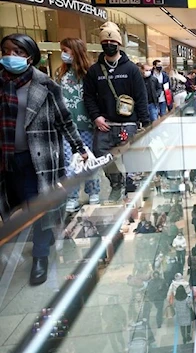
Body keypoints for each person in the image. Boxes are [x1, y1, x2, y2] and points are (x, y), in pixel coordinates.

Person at [1, 33, 87, 285]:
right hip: (7, 159)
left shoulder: (46, 85)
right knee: (17, 205)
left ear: (30, 56)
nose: (11, 57)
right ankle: (43, 237)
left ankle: (40, 255)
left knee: (38, 206)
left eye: (17, 52)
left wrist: (80, 148)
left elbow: (64, 120)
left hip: (39, 159)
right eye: (6, 51)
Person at [83, 22, 150, 202]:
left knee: (131, 156)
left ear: (119, 44)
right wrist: (96, 116)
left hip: (128, 123)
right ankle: (116, 183)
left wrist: (146, 123)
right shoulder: (94, 71)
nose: (109, 45)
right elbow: (88, 96)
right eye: (105, 42)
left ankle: (131, 183)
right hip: (105, 124)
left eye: (113, 42)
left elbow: (141, 96)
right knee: (101, 155)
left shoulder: (131, 70)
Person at [57, 37, 100, 212]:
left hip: (87, 124)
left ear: (75, 51)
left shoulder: (90, 73)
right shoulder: (61, 74)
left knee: (88, 159)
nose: (63, 55)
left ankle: (93, 192)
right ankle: (72, 196)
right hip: (67, 126)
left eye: (66, 51)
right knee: (69, 162)